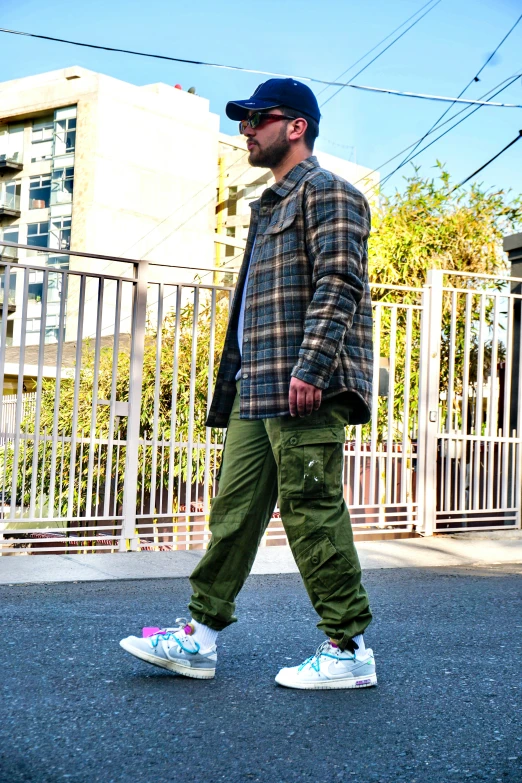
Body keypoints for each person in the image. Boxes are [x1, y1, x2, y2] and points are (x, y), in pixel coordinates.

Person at [120, 78, 376, 690]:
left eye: (259, 118)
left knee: (312, 512)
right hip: (257, 391)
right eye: (244, 120)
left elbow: (339, 283)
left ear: (296, 127)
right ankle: (200, 638)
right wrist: (233, 383)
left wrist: (311, 369)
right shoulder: (267, 207)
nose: (246, 129)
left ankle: (348, 650)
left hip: (305, 386)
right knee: (232, 514)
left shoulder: (330, 194)